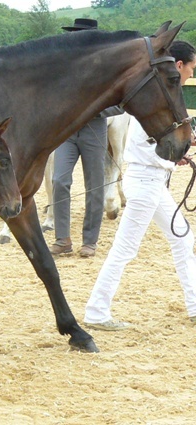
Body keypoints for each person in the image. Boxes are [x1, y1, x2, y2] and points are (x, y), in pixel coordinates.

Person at [84, 40, 196, 330]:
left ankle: (195, 305)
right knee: (124, 249)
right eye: (191, 70)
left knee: (183, 238)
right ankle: (96, 312)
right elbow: (149, 145)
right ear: (179, 65)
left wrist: (176, 158)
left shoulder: (163, 99)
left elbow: (156, 147)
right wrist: (178, 154)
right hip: (146, 182)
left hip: (152, 182)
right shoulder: (158, 100)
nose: (190, 76)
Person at [49, 18, 123, 258]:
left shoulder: (108, 68)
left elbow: (121, 102)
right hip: (67, 131)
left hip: (94, 129)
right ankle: (63, 239)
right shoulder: (63, 66)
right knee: (59, 180)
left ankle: (89, 240)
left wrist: (97, 110)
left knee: (95, 185)